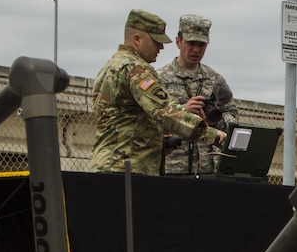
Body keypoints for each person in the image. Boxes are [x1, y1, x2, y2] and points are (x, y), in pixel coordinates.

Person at [90, 9, 224, 176]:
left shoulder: (111, 67)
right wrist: (213, 135)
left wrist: (157, 142)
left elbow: (123, 121)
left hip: (109, 164)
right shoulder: (136, 70)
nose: (161, 47)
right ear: (137, 39)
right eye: (156, 41)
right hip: (129, 169)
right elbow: (166, 111)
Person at [157, 15, 238, 175]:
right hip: (172, 167)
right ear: (178, 41)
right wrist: (182, 112)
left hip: (207, 167)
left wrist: (215, 122)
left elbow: (234, 119)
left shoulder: (215, 80)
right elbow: (150, 121)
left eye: (201, 44)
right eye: (191, 43)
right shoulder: (160, 79)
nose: (196, 49)